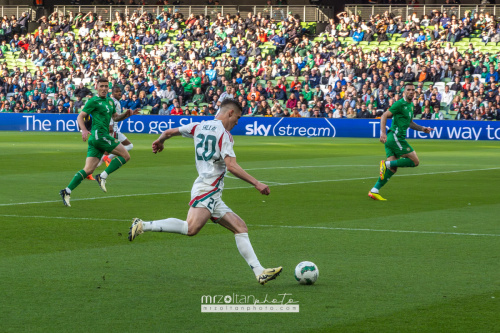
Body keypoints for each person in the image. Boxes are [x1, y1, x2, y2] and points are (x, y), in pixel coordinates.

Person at [128, 99, 282, 285]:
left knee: (240, 227)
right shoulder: (224, 135)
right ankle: (143, 225)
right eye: (238, 118)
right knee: (190, 228)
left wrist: (160, 141)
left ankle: (260, 272)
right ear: (230, 113)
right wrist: (256, 183)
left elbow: (169, 132)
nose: (237, 122)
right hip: (207, 187)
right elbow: (231, 166)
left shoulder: (199, 126)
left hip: (211, 191)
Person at [59, 78, 140, 207]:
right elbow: (80, 116)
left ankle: (66, 191)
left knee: (88, 169)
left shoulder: (109, 102)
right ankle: (102, 176)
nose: (103, 88)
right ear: (96, 87)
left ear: (108, 88)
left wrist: (126, 115)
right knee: (126, 155)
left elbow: (115, 117)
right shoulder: (93, 101)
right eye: (101, 86)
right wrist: (84, 130)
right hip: (100, 136)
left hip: (96, 139)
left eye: (106, 86)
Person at [368, 84, 434, 201]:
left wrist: (422, 128)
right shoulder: (399, 104)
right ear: (404, 92)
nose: (411, 92)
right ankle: (385, 164)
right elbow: (384, 115)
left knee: (393, 168)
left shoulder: (410, 106)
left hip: (391, 139)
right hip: (395, 137)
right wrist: (382, 133)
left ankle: (374, 190)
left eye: (413, 90)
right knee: (415, 161)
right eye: (408, 90)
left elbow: (410, 123)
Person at [98, 86, 140, 168]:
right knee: (107, 151)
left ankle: (107, 159)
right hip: (112, 129)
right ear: (112, 93)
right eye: (117, 91)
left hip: (115, 129)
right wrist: (110, 125)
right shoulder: (113, 102)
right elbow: (108, 114)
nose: (119, 93)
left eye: (120, 91)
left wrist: (130, 114)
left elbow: (117, 118)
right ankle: (90, 169)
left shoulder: (116, 102)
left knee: (129, 146)